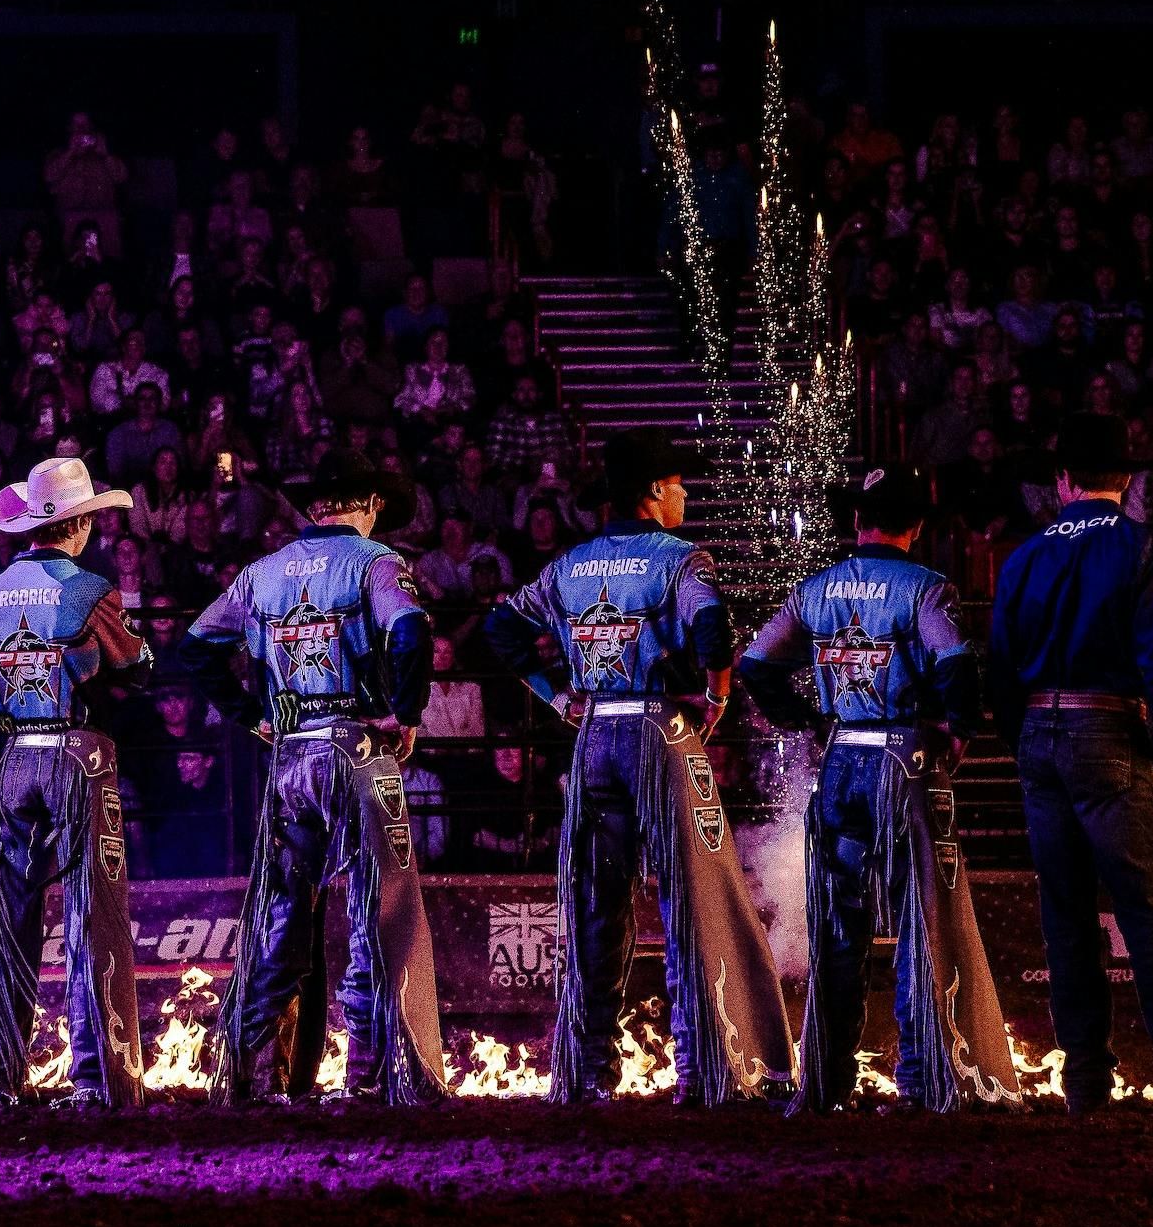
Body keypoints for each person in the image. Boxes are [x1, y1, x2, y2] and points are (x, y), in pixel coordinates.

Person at [485, 429, 793, 1106]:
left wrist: (557, 696)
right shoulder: (681, 560)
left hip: (594, 732)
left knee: (598, 900)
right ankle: (700, 1069)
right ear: (654, 492)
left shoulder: (570, 565)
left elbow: (501, 629)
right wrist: (715, 697)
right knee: (685, 895)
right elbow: (713, 630)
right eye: (679, 482)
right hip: (656, 730)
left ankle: (587, 1071)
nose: (685, 492)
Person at [739, 466, 1022, 1113]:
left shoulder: (816, 590)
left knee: (838, 927)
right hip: (903, 757)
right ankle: (922, 1077)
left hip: (842, 761)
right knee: (920, 919)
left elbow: (757, 664)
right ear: (916, 526)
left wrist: (807, 721)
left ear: (859, 521)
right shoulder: (927, 589)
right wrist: (958, 733)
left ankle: (827, 1085)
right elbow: (954, 667)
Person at [180, 447, 446, 1106]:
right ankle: (364, 1080)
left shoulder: (261, 574)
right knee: (370, 916)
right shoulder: (378, 563)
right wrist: (404, 713)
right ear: (372, 503)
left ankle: (242, 1075)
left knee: (279, 920)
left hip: (291, 755)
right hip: (356, 748)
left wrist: (251, 715)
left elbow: (195, 646)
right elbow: (411, 628)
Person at [988, 413, 1153, 1112]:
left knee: (1066, 919)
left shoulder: (1024, 557)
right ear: (1126, 481)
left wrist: (1025, 738)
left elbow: (1000, 670)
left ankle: (1086, 1083)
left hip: (1041, 732)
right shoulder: (1140, 548)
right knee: (1148, 912)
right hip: (1111, 734)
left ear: (1063, 482)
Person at [0, 458, 153, 1111]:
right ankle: (95, 1077)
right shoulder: (90, 589)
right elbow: (135, 667)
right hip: (76, 753)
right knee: (90, 917)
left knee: (10, 918)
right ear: (77, 524)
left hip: (14, 755)